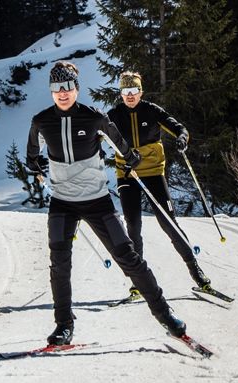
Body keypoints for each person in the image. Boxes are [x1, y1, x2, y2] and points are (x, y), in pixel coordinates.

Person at [26, 61, 186, 346]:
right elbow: (32, 154)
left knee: (128, 256)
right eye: (57, 88)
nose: (63, 93)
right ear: (51, 91)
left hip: (97, 201)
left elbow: (121, 145)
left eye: (67, 87)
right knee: (59, 264)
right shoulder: (41, 121)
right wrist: (36, 164)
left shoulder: (95, 118)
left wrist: (132, 159)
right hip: (62, 203)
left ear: (76, 88)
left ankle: (165, 314)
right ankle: (64, 326)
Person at [107, 71, 211, 299]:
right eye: (125, 92)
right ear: (121, 93)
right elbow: (97, 137)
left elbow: (180, 128)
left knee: (169, 223)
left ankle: (197, 273)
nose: (130, 96)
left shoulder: (151, 110)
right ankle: (137, 283)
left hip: (153, 172)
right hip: (128, 175)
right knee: (133, 227)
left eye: (133, 91)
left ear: (140, 91)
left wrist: (182, 139)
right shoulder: (113, 115)